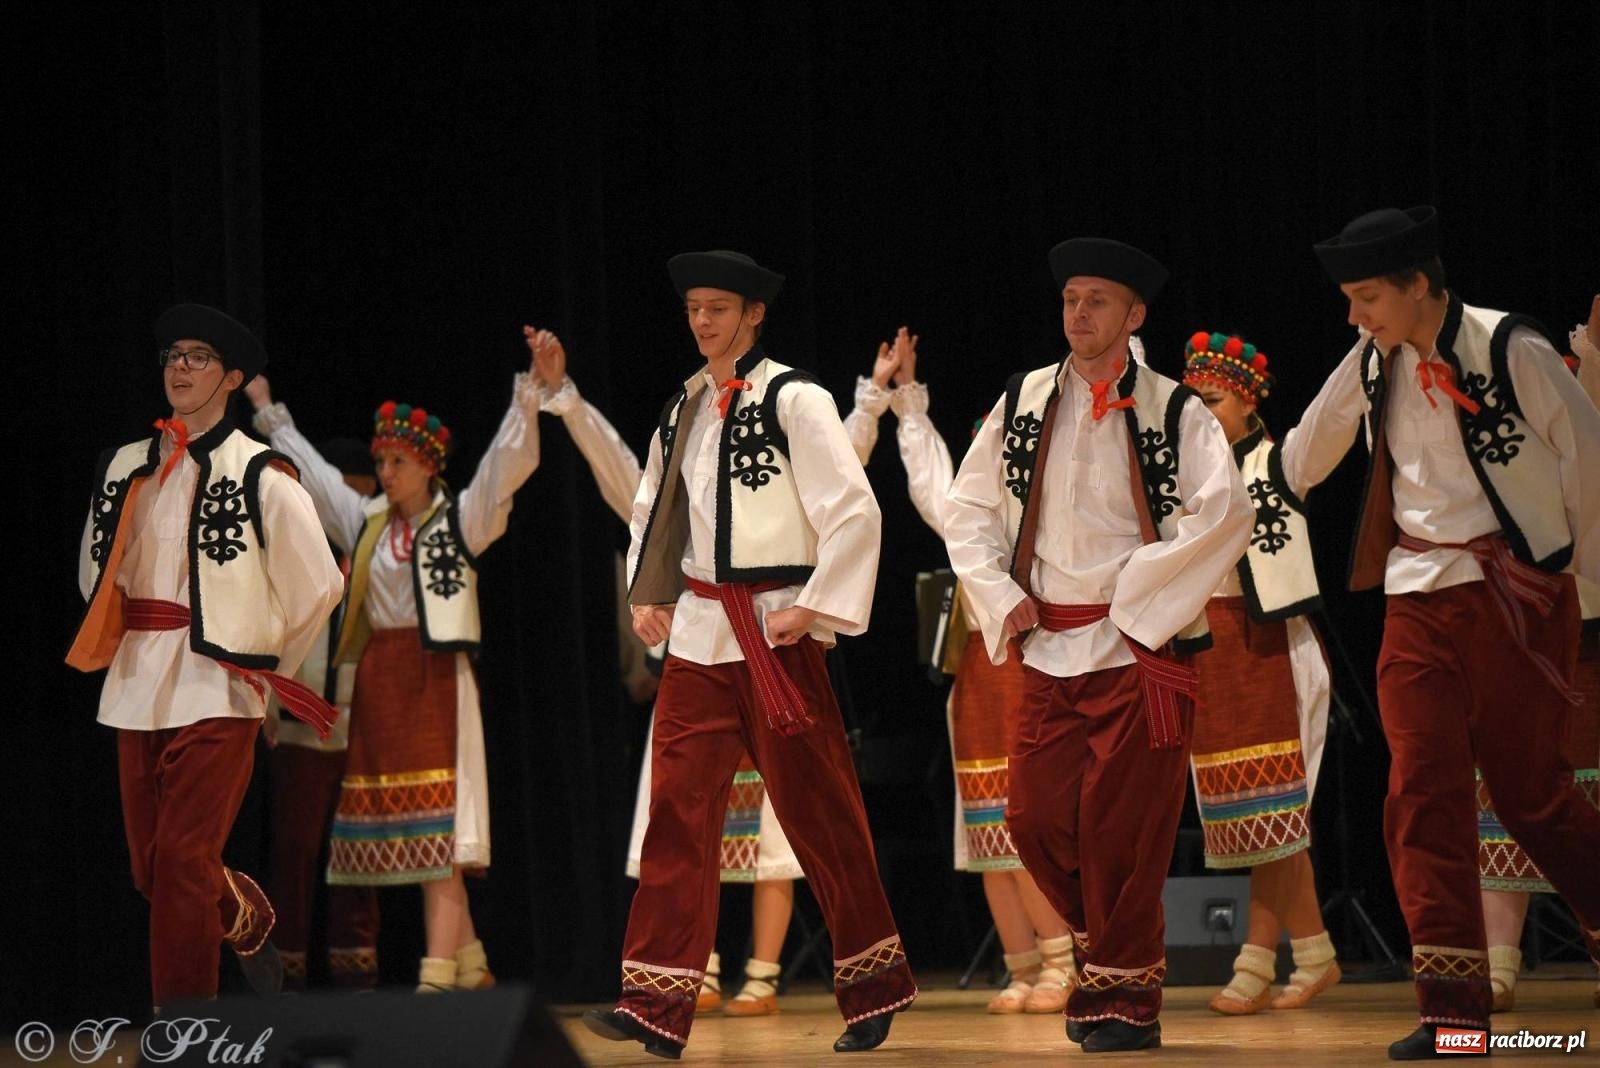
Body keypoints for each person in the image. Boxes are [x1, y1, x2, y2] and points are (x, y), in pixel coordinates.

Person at [581, 250, 915, 1059]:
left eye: (719, 308)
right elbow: (650, 510)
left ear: (754, 314)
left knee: (820, 813)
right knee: (676, 813)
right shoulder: (682, 407)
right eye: (694, 307)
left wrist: (817, 604)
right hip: (700, 636)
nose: (703, 322)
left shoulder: (795, 397)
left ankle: (872, 985)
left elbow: (853, 510)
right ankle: (655, 1000)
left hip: (774, 633)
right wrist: (648, 591)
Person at [1298, 206, 1600, 1058]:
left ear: (1419, 286)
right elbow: (1302, 454)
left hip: (1514, 596)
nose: (1356, 317)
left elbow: (1591, 461)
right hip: (1416, 599)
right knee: (1419, 793)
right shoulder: (1372, 362)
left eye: (1367, 299)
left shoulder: (1514, 349)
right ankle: (1453, 1009)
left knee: (1532, 795)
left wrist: (1568, 583)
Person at [943, 238, 1253, 1052]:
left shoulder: (1175, 408)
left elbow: (1224, 515)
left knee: (1125, 832)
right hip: (1050, 648)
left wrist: (1142, 596)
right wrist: (1000, 594)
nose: (1079, 314)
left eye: (1098, 302)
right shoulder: (1024, 398)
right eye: (1071, 299)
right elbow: (966, 509)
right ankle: (1119, 956)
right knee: (1035, 818)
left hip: (1137, 653)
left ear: (1134, 316)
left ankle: (1120, 994)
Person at [245, 338, 545, 994]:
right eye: (380, 460)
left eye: (398, 461)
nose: (385, 471)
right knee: (409, 831)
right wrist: (271, 415)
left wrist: (530, 398)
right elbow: (318, 478)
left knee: (441, 833)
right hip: (381, 679)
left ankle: (436, 978)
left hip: (436, 678)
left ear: (428, 465)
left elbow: (504, 466)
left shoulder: (459, 519)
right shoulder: (368, 521)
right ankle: (471, 965)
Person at [68, 304, 345, 1010]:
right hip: (136, 679)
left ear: (232, 377)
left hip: (219, 689)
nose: (180, 367)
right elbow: (92, 575)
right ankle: (240, 913)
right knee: (153, 869)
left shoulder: (260, 471)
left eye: (197, 356)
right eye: (172, 355)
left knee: (186, 863)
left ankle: (182, 1027)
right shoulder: (126, 464)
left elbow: (320, 586)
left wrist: (266, 668)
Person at [526, 326, 802, 1017]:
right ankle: (693, 968)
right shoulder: (668, 495)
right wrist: (565, 400)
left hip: (766, 655)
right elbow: (625, 473)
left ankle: (762, 972)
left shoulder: (777, 472)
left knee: (770, 824)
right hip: (697, 664)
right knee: (683, 817)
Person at [845, 327, 1076, 1015]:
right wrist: (906, 403)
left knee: (1028, 828)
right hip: (979, 679)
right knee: (986, 834)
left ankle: (1065, 965)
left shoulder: (1043, 523)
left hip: (1031, 671)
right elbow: (931, 485)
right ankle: (1024, 964)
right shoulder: (968, 523)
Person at [1178, 331, 1340, 1015]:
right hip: (1213, 656)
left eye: (1211, 400)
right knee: (1252, 818)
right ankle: (1314, 953)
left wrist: (1366, 349)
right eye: (1191, 400)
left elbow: (1330, 421)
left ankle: (1255, 961)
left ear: (1246, 403)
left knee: (1277, 815)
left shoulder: (1281, 463)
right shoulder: (1179, 480)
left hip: (1273, 650)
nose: (1200, 411)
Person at [1477, 294, 1600, 1014]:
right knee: (1500, 786)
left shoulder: (1580, 393)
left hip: (1587, 623)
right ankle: (1497, 963)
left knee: (1581, 789)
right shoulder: (1501, 422)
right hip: (1517, 622)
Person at [255, 437, 382, 992]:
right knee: (294, 851)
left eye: (358, 489)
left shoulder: (377, 554)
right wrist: (264, 703)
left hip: (360, 729)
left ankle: (357, 971)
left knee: (359, 854)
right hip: (303, 723)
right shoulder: (298, 549)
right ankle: (287, 970)